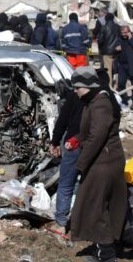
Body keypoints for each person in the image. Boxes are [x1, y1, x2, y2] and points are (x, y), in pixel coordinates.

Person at [69, 66, 127, 261]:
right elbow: (92, 132)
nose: (75, 90)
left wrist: (80, 164)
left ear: (87, 85)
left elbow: (98, 135)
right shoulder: (93, 100)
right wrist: (77, 139)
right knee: (98, 206)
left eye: (77, 87)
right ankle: (102, 250)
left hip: (103, 162)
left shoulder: (101, 103)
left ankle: (106, 255)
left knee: (95, 208)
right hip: (103, 160)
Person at [48, 78, 84, 233]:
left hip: (73, 144)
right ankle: (84, 221)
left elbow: (62, 120)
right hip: (94, 145)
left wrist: (55, 141)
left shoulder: (75, 96)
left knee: (67, 182)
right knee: (88, 183)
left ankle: (61, 223)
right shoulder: (104, 98)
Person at [114, 25, 133, 110]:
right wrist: (116, 49)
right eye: (122, 33)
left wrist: (130, 38)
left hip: (132, 65)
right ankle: (124, 101)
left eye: (125, 33)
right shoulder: (120, 39)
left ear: (129, 32)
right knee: (121, 84)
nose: (124, 34)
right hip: (122, 65)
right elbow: (115, 49)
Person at [97, 13, 120, 89]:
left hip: (107, 52)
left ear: (106, 19)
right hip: (117, 51)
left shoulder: (104, 27)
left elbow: (100, 40)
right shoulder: (118, 27)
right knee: (116, 70)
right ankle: (117, 85)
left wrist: (100, 48)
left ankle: (110, 86)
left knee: (108, 70)